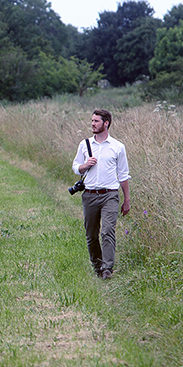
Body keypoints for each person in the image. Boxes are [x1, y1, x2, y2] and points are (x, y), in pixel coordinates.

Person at [72, 109, 131, 279]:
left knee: (107, 231)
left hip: (110, 195)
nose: (92, 124)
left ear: (106, 123)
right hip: (89, 194)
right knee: (91, 234)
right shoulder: (85, 144)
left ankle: (107, 268)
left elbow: (124, 175)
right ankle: (97, 265)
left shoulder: (118, 147)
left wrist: (126, 200)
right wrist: (84, 166)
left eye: (96, 121)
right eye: (92, 121)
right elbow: (76, 167)